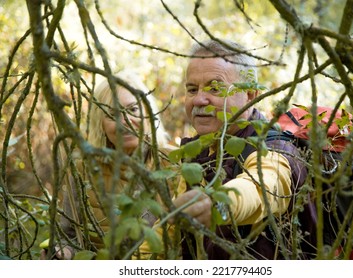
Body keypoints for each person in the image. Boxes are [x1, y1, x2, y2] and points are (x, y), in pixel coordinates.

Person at [172, 39, 307, 260]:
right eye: (192, 89)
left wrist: (217, 204)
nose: (199, 99)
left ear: (250, 95)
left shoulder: (275, 149)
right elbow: (167, 230)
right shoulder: (195, 151)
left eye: (215, 87)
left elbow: (261, 187)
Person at [41, 71, 175, 259]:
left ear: (148, 112)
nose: (125, 122)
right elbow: (68, 235)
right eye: (113, 114)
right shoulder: (83, 170)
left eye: (133, 110)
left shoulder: (174, 164)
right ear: (100, 123)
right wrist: (63, 252)